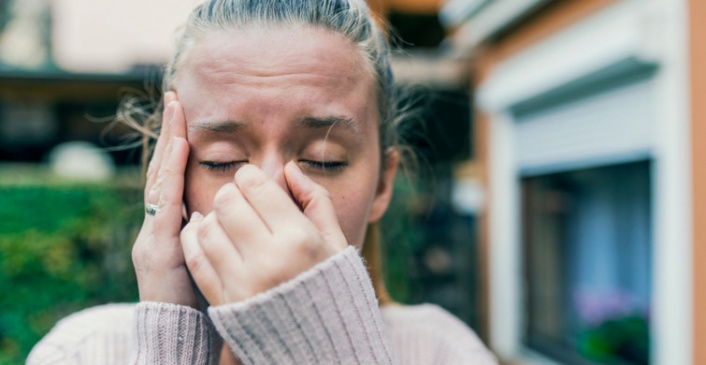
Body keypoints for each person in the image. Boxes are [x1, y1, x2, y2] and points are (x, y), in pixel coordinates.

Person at [28, 1, 498, 364]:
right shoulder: (82, 351)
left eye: (324, 160)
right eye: (221, 159)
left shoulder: (444, 351)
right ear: (164, 177)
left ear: (382, 185)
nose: (269, 193)